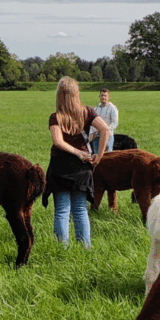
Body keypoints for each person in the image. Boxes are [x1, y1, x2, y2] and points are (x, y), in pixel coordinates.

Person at [47, 77, 109, 247]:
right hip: (82, 168)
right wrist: (99, 155)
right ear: (77, 94)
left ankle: (62, 249)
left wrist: (76, 153)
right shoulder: (87, 112)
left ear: (59, 96)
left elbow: (58, 142)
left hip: (60, 166)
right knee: (81, 210)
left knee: (62, 210)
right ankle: (85, 248)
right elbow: (105, 129)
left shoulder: (56, 117)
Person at [88, 88, 118, 155]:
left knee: (108, 156)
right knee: (96, 155)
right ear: (99, 96)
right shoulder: (96, 109)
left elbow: (114, 123)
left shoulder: (112, 108)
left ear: (108, 97)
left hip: (108, 137)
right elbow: (92, 122)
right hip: (96, 137)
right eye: (102, 95)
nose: (103, 97)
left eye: (105, 96)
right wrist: (91, 133)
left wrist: (105, 130)